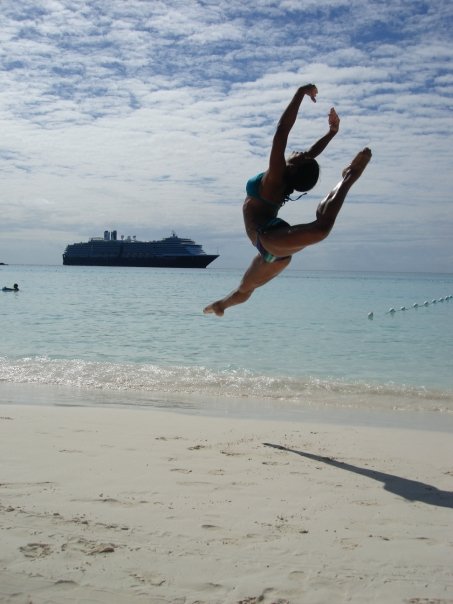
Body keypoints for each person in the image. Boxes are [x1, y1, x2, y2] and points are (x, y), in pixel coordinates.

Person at [203, 84, 371, 316]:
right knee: (244, 290)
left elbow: (282, 131)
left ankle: (349, 177)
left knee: (322, 229)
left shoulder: (275, 178)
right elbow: (311, 154)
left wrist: (300, 93)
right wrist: (331, 133)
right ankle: (221, 306)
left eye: (299, 155)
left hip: (270, 237)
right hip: (272, 251)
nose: (299, 152)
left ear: (295, 164)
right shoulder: (288, 177)